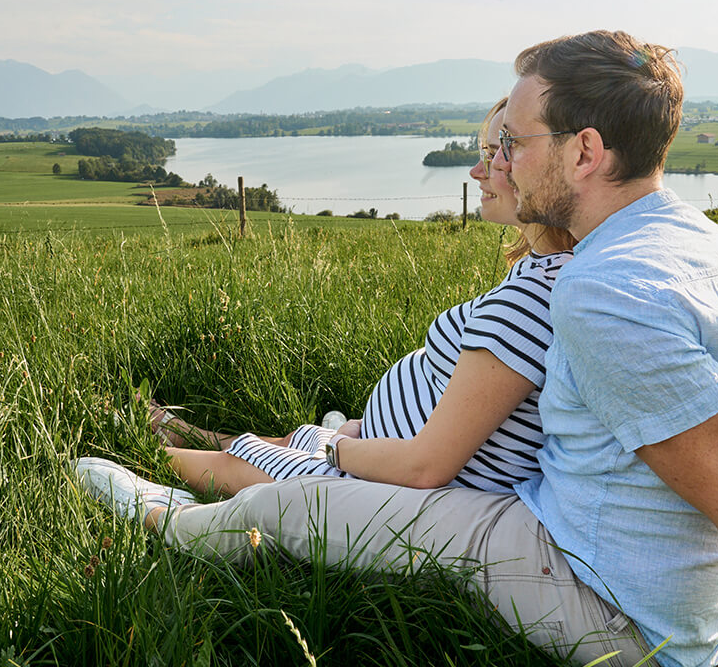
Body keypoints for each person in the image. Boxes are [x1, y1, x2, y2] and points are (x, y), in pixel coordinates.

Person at [74, 31, 718, 667]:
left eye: (516, 143)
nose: (500, 164)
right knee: (328, 481)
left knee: (285, 508)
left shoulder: (606, 292)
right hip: (683, 586)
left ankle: (163, 520)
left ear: (585, 152)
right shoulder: (707, 245)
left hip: (618, 607)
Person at [140, 99, 575, 498]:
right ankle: (189, 433)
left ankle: (143, 448)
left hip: (383, 484)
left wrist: (341, 449)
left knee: (231, 465)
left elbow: (427, 466)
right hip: (377, 450)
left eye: (500, 153)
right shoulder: (542, 270)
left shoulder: (534, 297)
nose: (479, 170)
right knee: (294, 440)